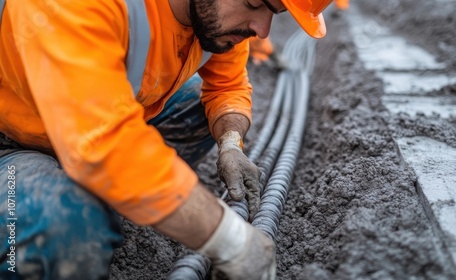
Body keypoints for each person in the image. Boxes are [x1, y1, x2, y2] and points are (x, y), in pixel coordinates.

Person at [0, 0, 333, 279]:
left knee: (196, 108)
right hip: (13, 142)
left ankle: (124, 190)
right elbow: (103, 144)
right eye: (255, 4)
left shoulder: (211, 16)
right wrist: (229, 241)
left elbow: (228, 86)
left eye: (274, 14)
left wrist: (230, 142)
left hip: (91, 125)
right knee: (63, 227)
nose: (262, 30)